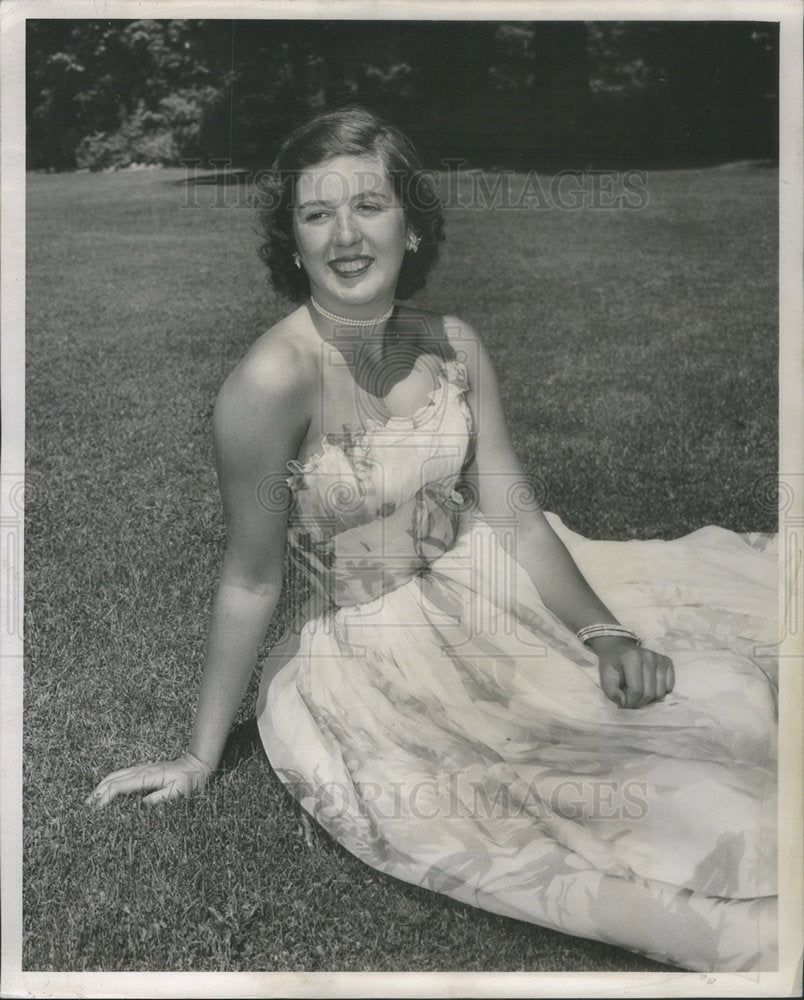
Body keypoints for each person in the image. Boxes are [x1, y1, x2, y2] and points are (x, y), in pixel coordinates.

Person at [88, 107, 778, 972]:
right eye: (317, 214)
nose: (346, 236)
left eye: (369, 206)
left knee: (726, 698)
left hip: (487, 586)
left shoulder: (454, 345)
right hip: (372, 654)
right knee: (658, 796)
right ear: (292, 241)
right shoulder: (269, 382)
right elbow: (250, 580)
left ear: (411, 226)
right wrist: (199, 756)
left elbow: (515, 515)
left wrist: (603, 632)